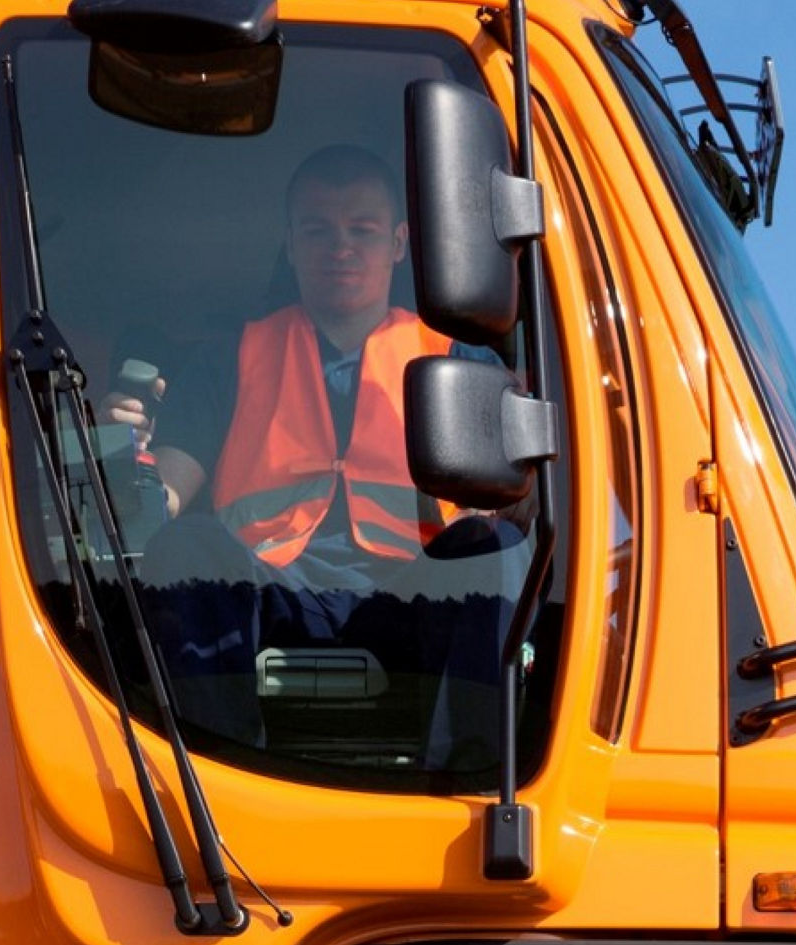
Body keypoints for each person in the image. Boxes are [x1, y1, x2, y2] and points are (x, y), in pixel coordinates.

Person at [103, 144, 523, 763]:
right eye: (318, 230)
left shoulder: (457, 363)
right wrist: (124, 456)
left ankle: (472, 772)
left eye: (363, 230)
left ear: (400, 243)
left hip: (413, 596)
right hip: (269, 596)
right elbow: (165, 492)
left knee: (492, 549)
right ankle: (215, 766)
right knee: (186, 546)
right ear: (292, 245)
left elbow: (515, 501)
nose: (341, 248)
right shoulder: (230, 358)